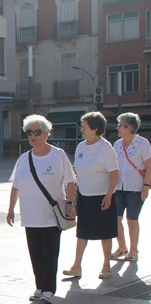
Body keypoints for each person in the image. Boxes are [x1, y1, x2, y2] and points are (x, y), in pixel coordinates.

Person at [7, 115, 77, 304]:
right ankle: (39, 287)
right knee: (35, 253)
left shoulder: (58, 155)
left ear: (46, 134)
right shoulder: (23, 159)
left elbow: (71, 181)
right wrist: (11, 208)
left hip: (51, 216)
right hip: (30, 216)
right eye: (29, 132)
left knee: (50, 253)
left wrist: (70, 203)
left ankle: (49, 289)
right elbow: (16, 185)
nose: (32, 136)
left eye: (37, 132)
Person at [63, 112, 118, 279]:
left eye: (85, 127)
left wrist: (109, 196)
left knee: (105, 232)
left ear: (95, 129)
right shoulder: (81, 147)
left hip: (102, 197)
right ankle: (76, 266)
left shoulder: (105, 147)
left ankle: (106, 266)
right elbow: (77, 171)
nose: (82, 130)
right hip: (85, 196)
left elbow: (114, 174)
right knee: (82, 232)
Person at [110, 112, 151, 262]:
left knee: (132, 219)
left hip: (136, 188)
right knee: (115, 218)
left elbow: (149, 166)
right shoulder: (117, 144)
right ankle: (122, 247)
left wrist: (146, 187)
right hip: (119, 188)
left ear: (129, 127)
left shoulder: (143, 143)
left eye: (120, 125)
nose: (117, 128)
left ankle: (134, 250)